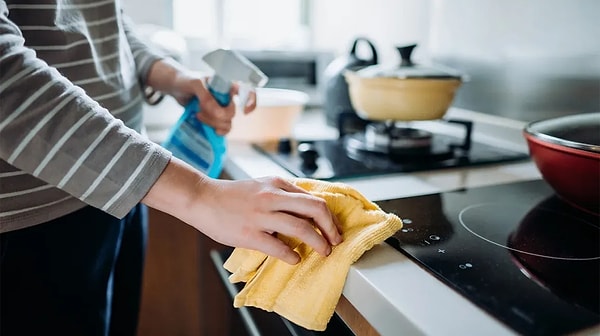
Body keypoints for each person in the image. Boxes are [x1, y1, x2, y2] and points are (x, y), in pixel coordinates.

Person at [0, 1, 342, 335]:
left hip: (122, 191)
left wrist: (174, 77)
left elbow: (103, 23)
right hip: (36, 217)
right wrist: (199, 194)